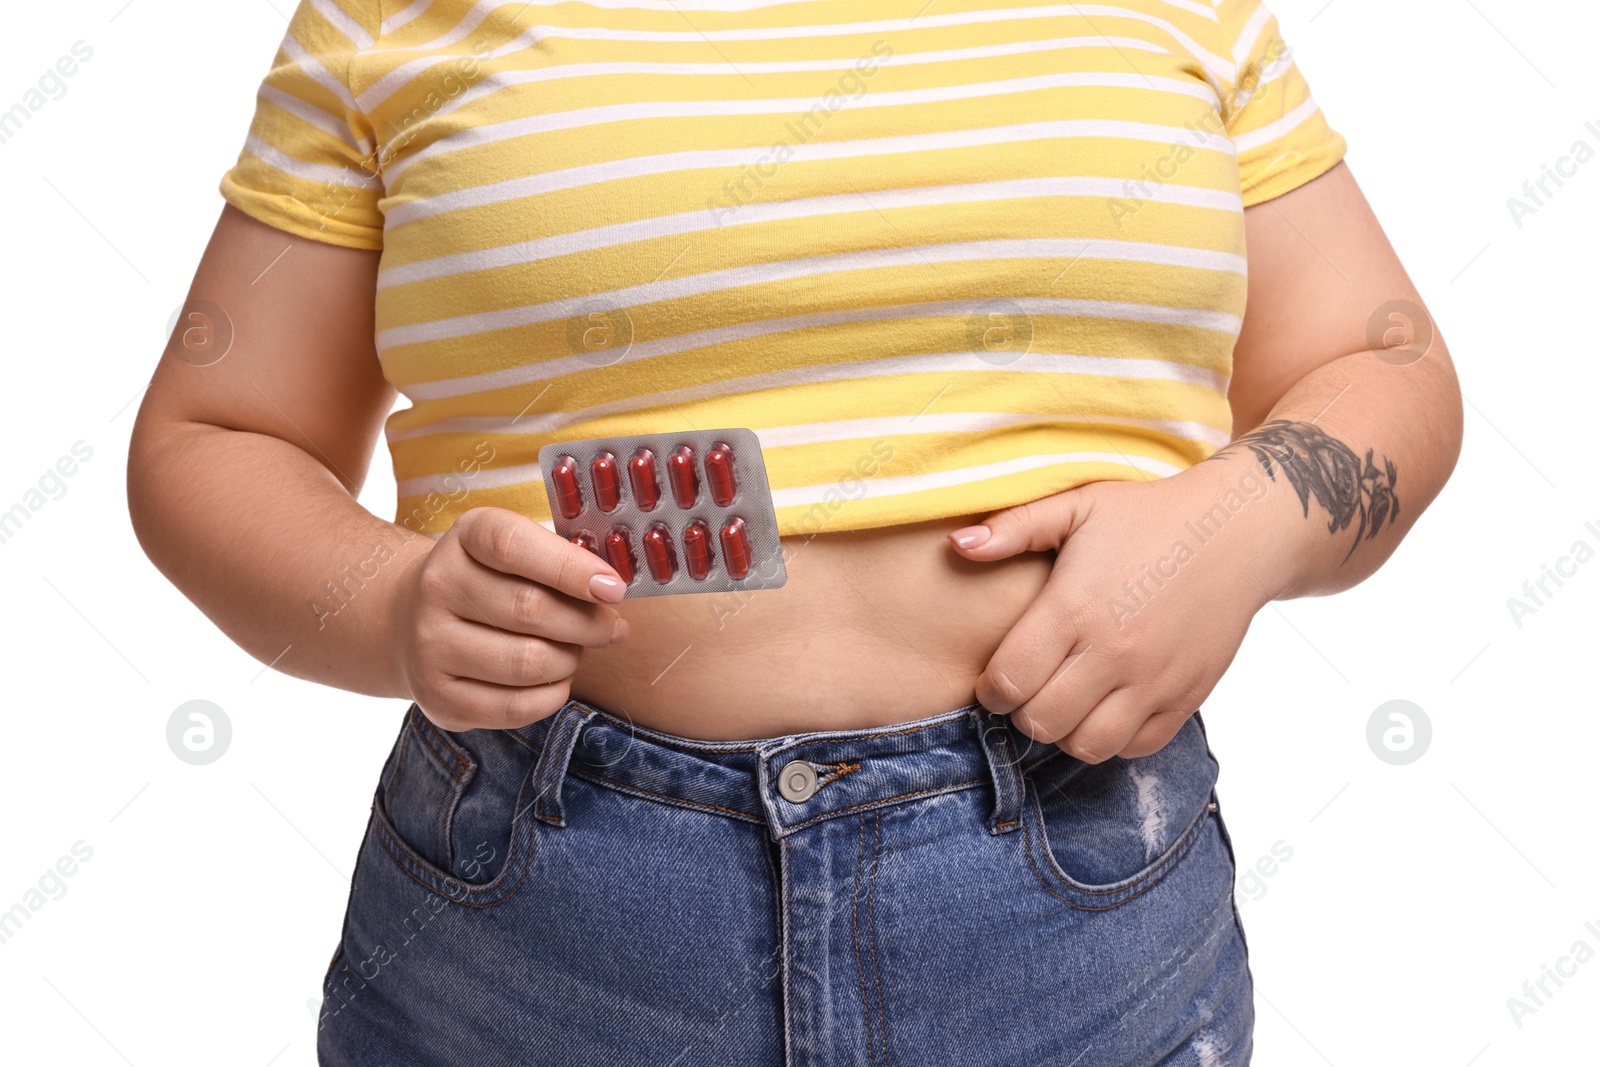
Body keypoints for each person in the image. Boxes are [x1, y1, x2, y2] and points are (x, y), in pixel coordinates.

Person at [128, 0, 1460, 1063]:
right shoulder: (387, 17)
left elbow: (1382, 362)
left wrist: (1242, 524)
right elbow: (214, 436)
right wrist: (389, 600)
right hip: (540, 915)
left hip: (1072, 890)